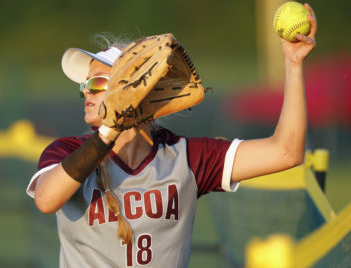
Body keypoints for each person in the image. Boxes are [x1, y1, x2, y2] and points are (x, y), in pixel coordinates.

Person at [26, 4, 317, 267]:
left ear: (135, 88)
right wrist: (109, 131)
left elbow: (286, 152)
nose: (86, 91)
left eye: (97, 82)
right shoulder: (67, 152)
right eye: (84, 85)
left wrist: (293, 63)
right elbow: (46, 200)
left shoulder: (185, 158)